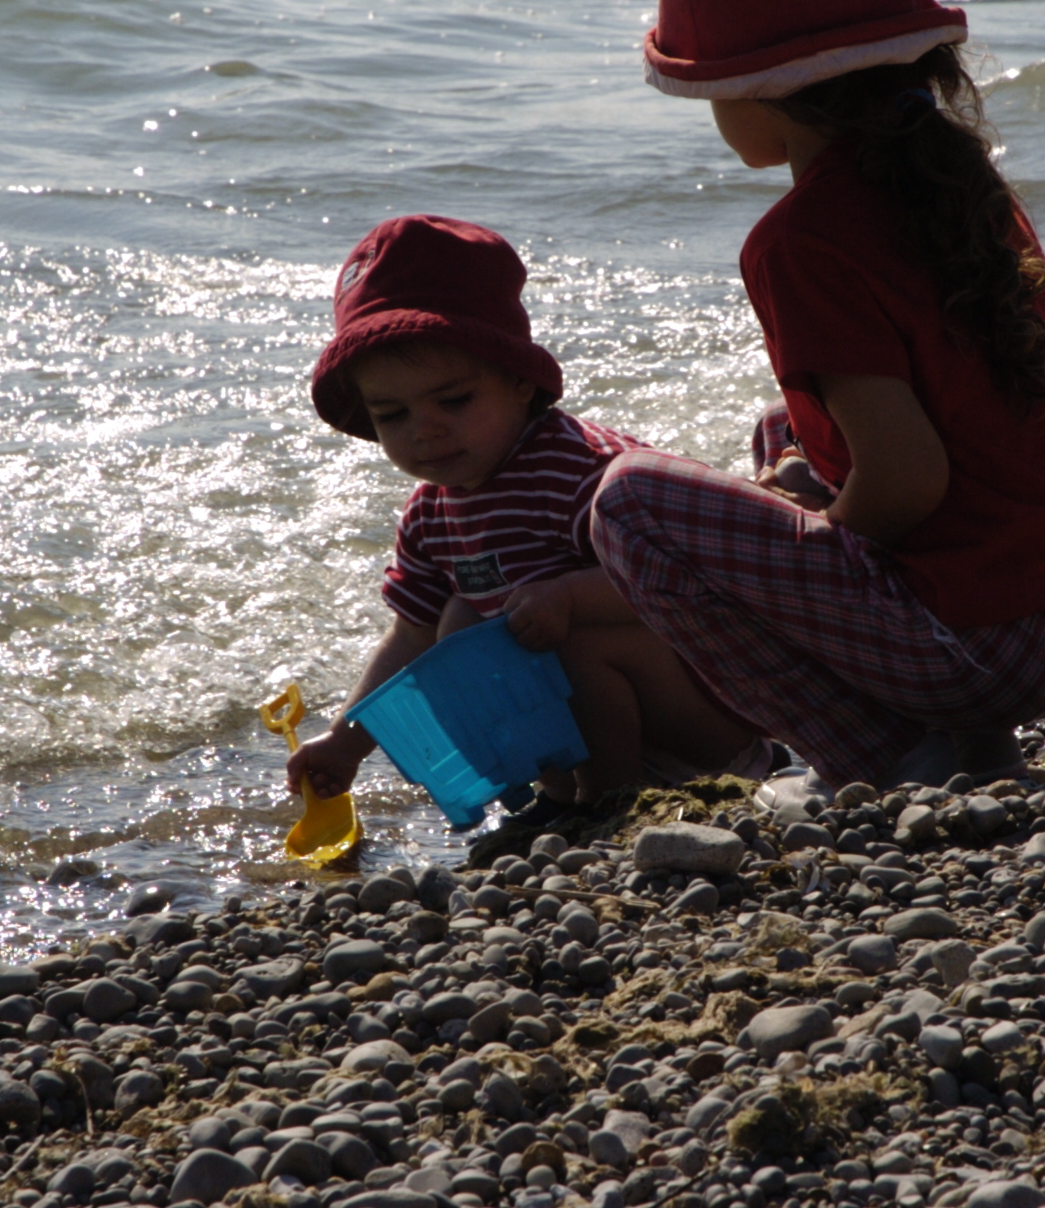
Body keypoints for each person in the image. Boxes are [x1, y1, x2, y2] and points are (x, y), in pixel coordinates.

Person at [590, 0, 1045, 791]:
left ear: (761, 93)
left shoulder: (802, 241)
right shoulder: (952, 180)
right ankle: (974, 747)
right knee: (786, 429)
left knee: (629, 504)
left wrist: (821, 522)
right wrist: (813, 496)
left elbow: (908, 477)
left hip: (978, 646)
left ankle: (882, 759)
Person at [285, 214, 768, 809]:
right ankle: (556, 794)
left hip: (701, 722)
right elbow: (410, 636)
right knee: (455, 624)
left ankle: (609, 808)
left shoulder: (580, 471)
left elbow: (692, 581)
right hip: (590, 727)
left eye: (454, 400)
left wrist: (570, 597)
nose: (424, 430)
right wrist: (345, 742)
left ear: (519, 380)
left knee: (567, 642)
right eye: (392, 415)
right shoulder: (430, 516)